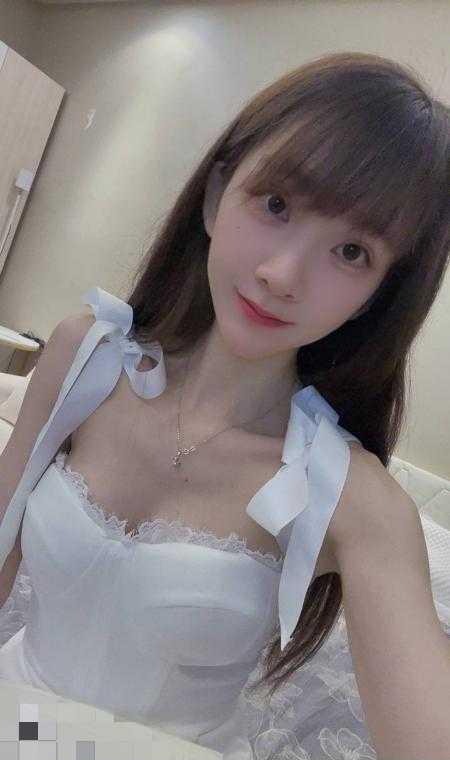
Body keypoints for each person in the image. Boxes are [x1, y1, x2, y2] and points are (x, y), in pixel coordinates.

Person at [0, 50, 449, 759]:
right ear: (216, 195)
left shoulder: (356, 502)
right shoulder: (84, 355)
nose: (282, 275)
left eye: (352, 252)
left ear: (380, 294)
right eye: (276, 205)